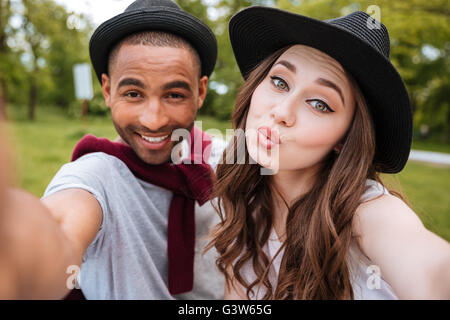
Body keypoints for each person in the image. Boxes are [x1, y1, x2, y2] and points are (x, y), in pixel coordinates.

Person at [207, 7, 450, 299]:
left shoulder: (363, 213)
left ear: (345, 139)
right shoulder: (243, 198)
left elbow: (429, 267)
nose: (282, 112)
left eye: (319, 104)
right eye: (280, 82)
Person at [1, 0, 226, 299]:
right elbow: (63, 228)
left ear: (200, 91)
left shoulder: (228, 161)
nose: (153, 119)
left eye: (174, 94)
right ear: (107, 90)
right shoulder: (96, 175)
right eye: (133, 93)